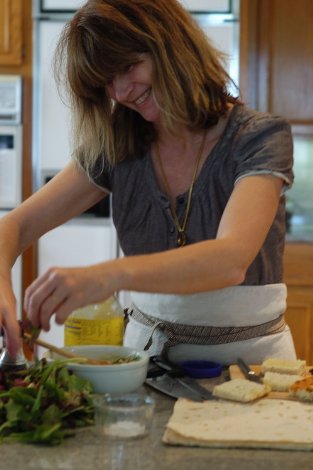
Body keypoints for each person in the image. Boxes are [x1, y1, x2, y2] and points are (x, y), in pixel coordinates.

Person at [0, 0, 296, 364]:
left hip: (252, 367)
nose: (122, 92)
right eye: (106, 82)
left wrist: (108, 276)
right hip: (147, 364)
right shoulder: (116, 146)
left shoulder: (259, 137)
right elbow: (14, 225)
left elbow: (230, 260)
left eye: (128, 66)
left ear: (170, 46)